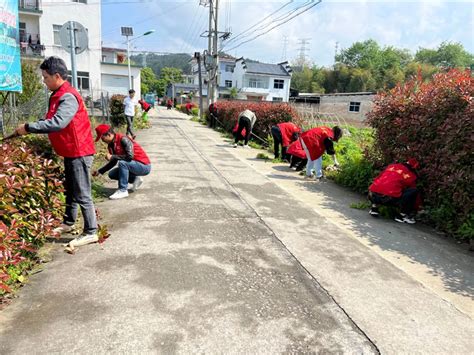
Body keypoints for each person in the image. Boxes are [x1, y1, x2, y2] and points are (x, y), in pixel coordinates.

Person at [14, 56, 98, 248]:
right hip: (70, 150)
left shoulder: (68, 96)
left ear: (57, 76)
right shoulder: (58, 94)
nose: (44, 81)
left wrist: (29, 127)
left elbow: (58, 122)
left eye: (45, 77)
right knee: (71, 189)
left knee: (82, 192)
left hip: (79, 152)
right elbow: (50, 119)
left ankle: (91, 231)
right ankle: (69, 222)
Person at [93, 124, 151, 200]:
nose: (102, 140)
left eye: (102, 137)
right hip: (133, 166)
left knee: (122, 163)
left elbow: (130, 156)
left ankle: (123, 190)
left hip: (144, 166)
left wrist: (112, 156)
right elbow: (113, 162)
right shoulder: (111, 145)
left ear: (108, 134)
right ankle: (135, 179)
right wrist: (100, 171)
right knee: (112, 174)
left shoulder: (123, 139)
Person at [368, 158, 420, 224]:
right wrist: (417, 208)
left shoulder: (392, 166)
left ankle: (374, 208)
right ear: (414, 168)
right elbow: (413, 192)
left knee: (376, 186)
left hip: (372, 194)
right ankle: (401, 216)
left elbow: (377, 178)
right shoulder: (411, 175)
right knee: (413, 191)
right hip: (390, 199)